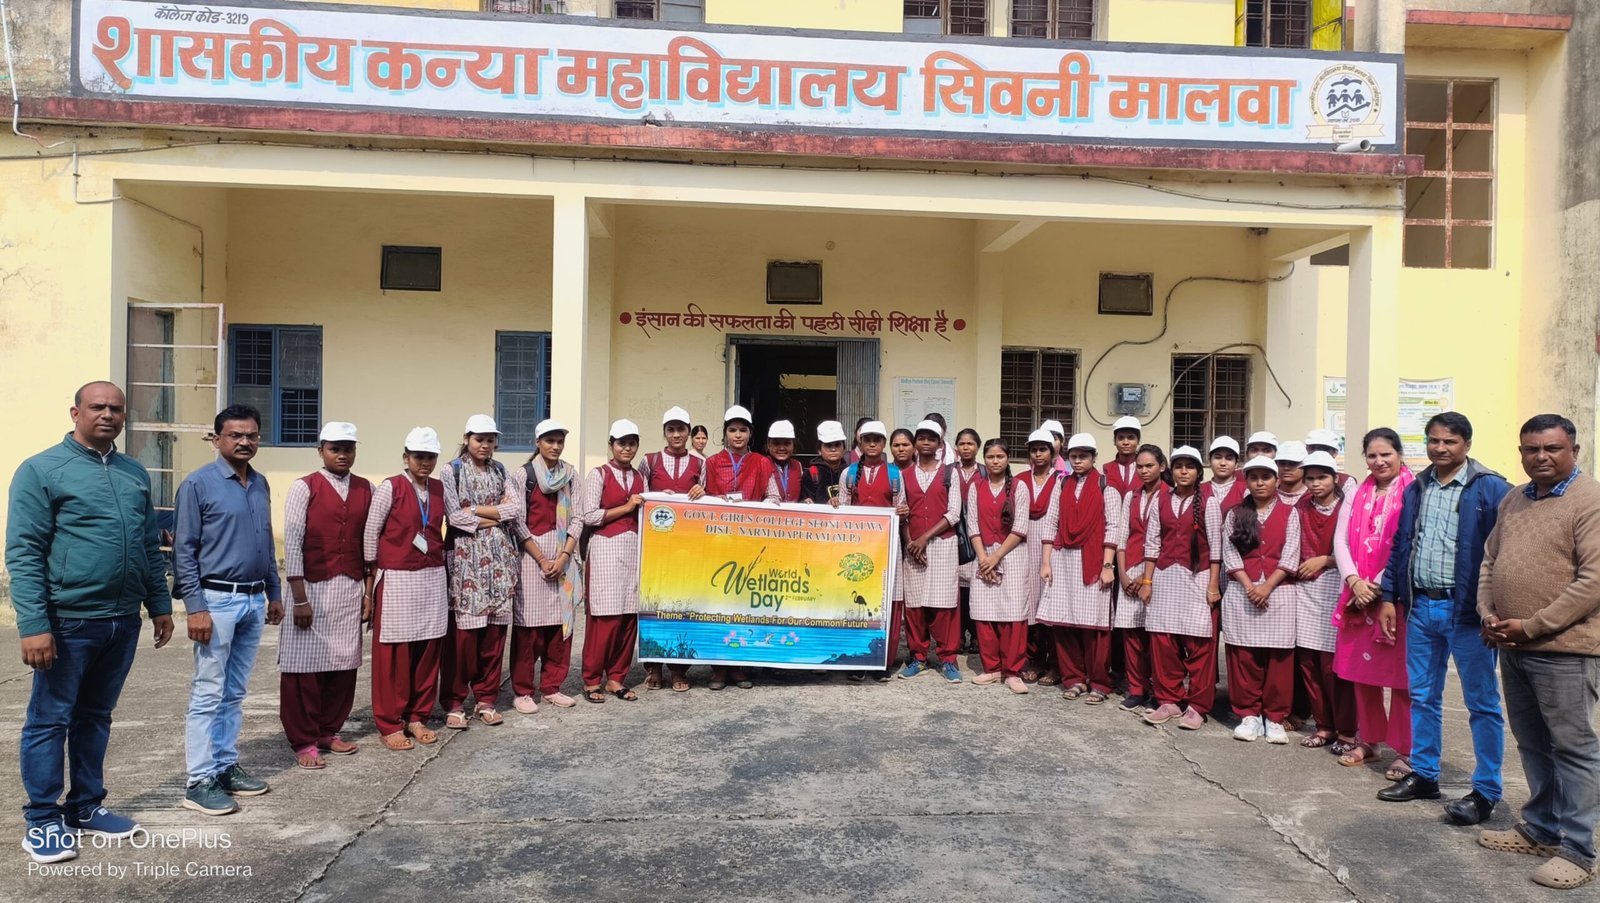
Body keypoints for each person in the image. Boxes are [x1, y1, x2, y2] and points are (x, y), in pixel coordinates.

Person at [7, 382, 174, 862]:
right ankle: (42, 818)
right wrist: (35, 624)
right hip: (67, 621)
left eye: (116, 408)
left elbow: (147, 545)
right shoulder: (42, 470)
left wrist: (159, 604)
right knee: (49, 719)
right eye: (97, 407)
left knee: (96, 717)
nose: (107, 414)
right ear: (75, 411)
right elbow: (24, 551)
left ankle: (84, 806)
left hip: (122, 621)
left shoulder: (132, 473)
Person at [1476, 414, 1600, 890]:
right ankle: (1541, 830)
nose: (1540, 457)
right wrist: (1488, 612)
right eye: (1531, 449)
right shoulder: (1515, 499)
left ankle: (1579, 849)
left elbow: (1592, 583)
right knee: (1531, 742)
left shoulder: (1589, 501)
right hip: (1513, 645)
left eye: (1551, 449)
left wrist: (1532, 625)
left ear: (1573, 450)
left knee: (1574, 749)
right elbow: (1491, 560)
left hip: (1566, 649)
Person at [1375, 412, 1509, 823]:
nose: (1440, 448)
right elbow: (1402, 543)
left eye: (1449, 442)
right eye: (1433, 441)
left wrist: (1494, 609)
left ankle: (1486, 791)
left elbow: (1505, 552)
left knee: (1482, 703)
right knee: (1423, 697)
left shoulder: (1490, 488)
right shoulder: (1417, 487)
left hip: (1467, 614)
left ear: (1466, 444)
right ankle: (1425, 774)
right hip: (1421, 609)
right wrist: (1388, 596)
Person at [175, 404, 282, 816]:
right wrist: (195, 607)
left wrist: (273, 593)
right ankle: (198, 780)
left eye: (252, 435)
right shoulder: (198, 485)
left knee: (234, 692)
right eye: (236, 435)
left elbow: (265, 544)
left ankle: (224, 766)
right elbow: (184, 551)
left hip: (253, 600)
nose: (245, 442)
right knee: (207, 691)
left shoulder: (259, 484)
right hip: (215, 600)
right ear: (216, 438)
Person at [278, 422, 372, 770]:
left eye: (348, 448)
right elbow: (294, 541)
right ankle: (303, 739)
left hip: (349, 587)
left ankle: (328, 730)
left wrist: (368, 592)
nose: (343, 454)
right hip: (313, 587)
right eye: (335, 448)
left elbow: (369, 543)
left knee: (343, 664)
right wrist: (299, 597)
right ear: (321, 450)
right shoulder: (305, 487)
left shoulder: (366, 489)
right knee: (304, 667)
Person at [1333, 428, 1415, 777]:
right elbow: (1340, 539)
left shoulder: (1414, 490)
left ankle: (1405, 750)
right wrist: (1354, 581)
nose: (1379, 461)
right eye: (1372, 455)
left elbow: (1408, 542)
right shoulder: (1356, 491)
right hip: (1357, 596)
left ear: (1399, 454)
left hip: (1394, 597)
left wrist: (1379, 584)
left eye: (1386, 454)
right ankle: (1369, 740)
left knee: (1401, 678)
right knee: (1362, 675)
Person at [365, 428, 450, 752]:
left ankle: (417, 716)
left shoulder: (440, 489)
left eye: (430, 457)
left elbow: (451, 520)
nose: (425, 462)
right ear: (406, 457)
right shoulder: (391, 487)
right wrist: (369, 581)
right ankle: (390, 722)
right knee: (394, 652)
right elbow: (371, 531)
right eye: (419, 456)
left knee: (428, 647)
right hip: (398, 575)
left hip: (431, 576)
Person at [438, 415, 519, 729]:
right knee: (464, 637)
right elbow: (454, 516)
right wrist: (492, 515)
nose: (485, 445)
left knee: (494, 635)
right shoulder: (451, 470)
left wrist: (474, 509)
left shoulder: (500, 470)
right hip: (465, 559)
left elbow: (516, 509)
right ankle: (455, 701)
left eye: (490, 439)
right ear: (467, 438)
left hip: (499, 560)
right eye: (479, 439)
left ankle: (486, 698)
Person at [1220, 457, 1301, 744]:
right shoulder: (1235, 514)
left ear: (1276, 480)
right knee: (1245, 656)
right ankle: (1249, 714)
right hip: (1243, 592)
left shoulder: (1290, 513)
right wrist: (1248, 585)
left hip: (1278, 593)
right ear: (1247, 481)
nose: (1260, 482)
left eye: (1266, 477)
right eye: (1253, 477)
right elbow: (1229, 554)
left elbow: (1292, 552)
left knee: (1278, 657)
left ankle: (1275, 717)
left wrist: (1266, 586)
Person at [1039, 433, 1122, 704]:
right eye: (1073, 456)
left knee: (1095, 626)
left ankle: (1098, 681)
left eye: (1083, 456)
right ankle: (1073, 678)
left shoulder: (1105, 486)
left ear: (1093, 457)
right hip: (1064, 559)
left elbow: (1113, 528)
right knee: (1064, 623)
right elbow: (1051, 523)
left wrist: (1108, 566)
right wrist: (1046, 561)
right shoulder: (1061, 485)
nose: (1077, 461)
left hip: (1094, 560)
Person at [507, 419, 584, 709]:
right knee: (529, 628)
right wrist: (541, 558)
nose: (555, 446)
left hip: (563, 553)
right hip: (531, 556)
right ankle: (523, 690)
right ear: (537, 442)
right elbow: (517, 521)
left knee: (560, 627)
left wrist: (564, 556)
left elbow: (579, 517)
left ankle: (552, 685)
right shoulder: (522, 476)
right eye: (549, 441)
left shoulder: (571, 475)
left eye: (559, 441)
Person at [1141, 446, 1215, 730]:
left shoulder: (1207, 500)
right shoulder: (1161, 499)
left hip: (1197, 576)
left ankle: (1196, 705)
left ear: (1198, 471)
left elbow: (1216, 548)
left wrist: (1212, 585)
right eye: (1179, 466)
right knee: (1163, 640)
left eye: (1190, 466)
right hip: (1164, 575)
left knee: (1197, 641)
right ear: (1170, 470)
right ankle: (1169, 699)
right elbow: (1152, 542)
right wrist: (1147, 580)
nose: (1183, 471)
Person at [1291, 451, 1358, 753]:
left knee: (1335, 665)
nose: (1315, 484)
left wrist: (1327, 560)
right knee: (1309, 661)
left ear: (1335, 478)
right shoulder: (1301, 507)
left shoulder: (1348, 507)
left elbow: (1355, 550)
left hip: (1336, 586)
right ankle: (1323, 726)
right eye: (1310, 478)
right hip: (1305, 588)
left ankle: (1347, 731)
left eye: (1322, 477)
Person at [637, 406, 704, 692]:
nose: (677, 435)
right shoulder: (649, 462)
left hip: (686, 548)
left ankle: (679, 668)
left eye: (681, 429)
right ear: (664, 432)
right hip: (655, 547)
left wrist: (703, 494)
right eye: (671, 429)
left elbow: (708, 503)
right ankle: (653, 668)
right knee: (652, 603)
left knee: (682, 604)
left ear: (689, 432)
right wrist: (653, 496)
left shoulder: (701, 464)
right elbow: (637, 496)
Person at [581, 420, 646, 703]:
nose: (627, 448)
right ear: (611, 445)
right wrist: (627, 507)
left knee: (628, 616)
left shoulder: (641, 477)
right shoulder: (599, 474)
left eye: (632, 443)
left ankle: (617, 677)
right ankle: (592, 679)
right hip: (606, 546)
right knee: (605, 616)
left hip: (634, 548)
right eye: (621, 443)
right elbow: (590, 515)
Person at [838, 421, 906, 681]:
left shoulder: (894, 474)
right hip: (858, 550)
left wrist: (903, 511)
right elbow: (843, 511)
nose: (872, 444)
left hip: (888, 548)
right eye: (867, 439)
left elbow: (902, 507)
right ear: (860, 443)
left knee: (886, 603)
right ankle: (857, 660)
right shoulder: (848, 473)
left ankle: (882, 662)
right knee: (858, 608)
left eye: (877, 439)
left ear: (884, 443)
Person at [896, 420, 963, 682]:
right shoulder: (904, 475)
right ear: (915, 444)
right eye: (921, 438)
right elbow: (902, 512)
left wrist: (924, 538)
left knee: (944, 604)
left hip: (942, 545)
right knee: (915, 606)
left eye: (931, 438)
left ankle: (948, 659)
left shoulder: (950, 473)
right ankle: (919, 657)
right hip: (914, 548)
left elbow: (954, 513)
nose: (925, 442)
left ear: (939, 443)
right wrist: (912, 542)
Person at [967, 439, 1031, 693]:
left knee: (1013, 613)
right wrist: (984, 558)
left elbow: (1020, 528)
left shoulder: (1019, 487)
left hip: (1012, 553)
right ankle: (991, 667)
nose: (995, 461)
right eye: (990, 457)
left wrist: (996, 557)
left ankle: (1012, 671)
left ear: (1008, 459)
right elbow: (972, 525)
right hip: (983, 554)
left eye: (1000, 457)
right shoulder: (976, 486)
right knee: (985, 612)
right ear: (985, 459)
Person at [1116, 445, 1166, 713]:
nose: (1144, 471)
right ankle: (1136, 688)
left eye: (1150, 466)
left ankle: (1160, 690)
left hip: (1156, 573)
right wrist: (1123, 574)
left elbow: (1167, 540)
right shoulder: (1131, 497)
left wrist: (1145, 577)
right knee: (1131, 634)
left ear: (1162, 466)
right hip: (1129, 568)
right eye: (1140, 466)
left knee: (1156, 638)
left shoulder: (1170, 495)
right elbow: (1122, 536)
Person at [1019, 429, 1061, 684]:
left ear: (1052, 451)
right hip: (1025, 545)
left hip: (1052, 547)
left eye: (1043, 449)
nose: (1038, 454)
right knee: (1030, 606)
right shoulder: (1021, 479)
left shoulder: (1062, 479)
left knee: (1052, 606)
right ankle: (1033, 660)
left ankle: (1055, 665)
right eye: (1034, 449)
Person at [704, 405, 777, 504]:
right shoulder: (711, 463)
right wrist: (715, 499)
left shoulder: (762, 463)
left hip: (753, 517)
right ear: (725, 433)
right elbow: (703, 497)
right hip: (720, 517)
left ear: (750, 433)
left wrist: (759, 507)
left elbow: (773, 496)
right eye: (732, 430)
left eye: (743, 430)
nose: (738, 435)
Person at [952, 428, 983, 654]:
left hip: (977, 534)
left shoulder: (984, 472)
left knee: (975, 588)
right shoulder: (947, 472)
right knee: (956, 590)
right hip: (953, 533)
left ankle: (975, 636)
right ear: (956, 447)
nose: (966, 447)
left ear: (977, 447)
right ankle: (959, 635)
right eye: (961, 443)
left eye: (970, 444)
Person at [803, 420, 848, 505]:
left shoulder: (850, 473)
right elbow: (808, 504)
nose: (833, 449)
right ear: (819, 450)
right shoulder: (810, 474)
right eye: (828, 445)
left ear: (844, 449)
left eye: (837, 445)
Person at [1306, 429, 1361, 494]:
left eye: (1324, 449)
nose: (1319, 452)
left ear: (1335, 453)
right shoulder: (1297, 479)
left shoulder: (1346, 482)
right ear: (1307, 450)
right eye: (1313, 448)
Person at [1104, 416, 1143, 498]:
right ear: (1115, 441)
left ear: (1138, 441)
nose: (1125, 442)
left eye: (1130, 438)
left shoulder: (1145, 469)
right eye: (1121, 438)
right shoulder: (1105, 470)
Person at [767, 420, 805, 503]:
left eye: (787, 444)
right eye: (776, 444)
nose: (781, 448)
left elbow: (803, 493)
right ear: (768, 445)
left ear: (793, 445)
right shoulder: (763, 464)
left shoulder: (798, 465)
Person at [1275, 441, 1308, 507]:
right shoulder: (1268, 496)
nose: (1286, 468)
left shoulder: (1314, 497)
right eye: (1282, 463)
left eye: (1293, 463)